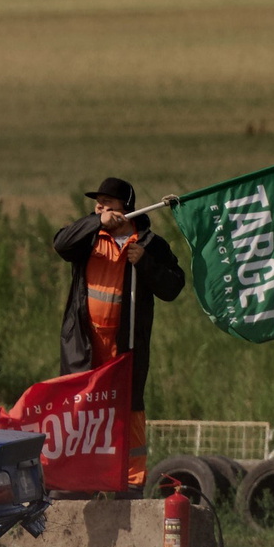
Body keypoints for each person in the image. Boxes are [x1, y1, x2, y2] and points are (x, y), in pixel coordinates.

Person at [52, 177, 186, 488]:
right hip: (84, 345)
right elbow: (60, 243)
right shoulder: (87, 237)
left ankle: (130, 484)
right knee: (81, 411)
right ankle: (77, 481)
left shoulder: (150, 245)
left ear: (125, 209)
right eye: (97, 204)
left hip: (127, 347)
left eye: (107, 204)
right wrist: (96, 220)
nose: (100, 208)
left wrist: (146, 264)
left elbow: (173, 287)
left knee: (128, 412)